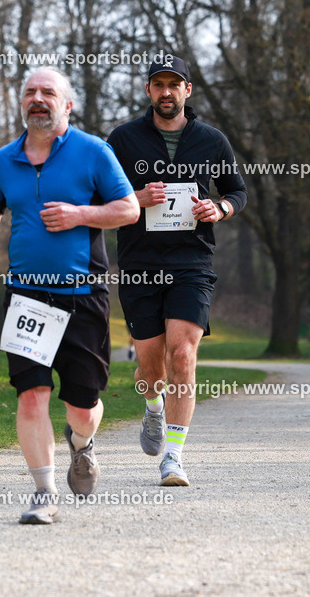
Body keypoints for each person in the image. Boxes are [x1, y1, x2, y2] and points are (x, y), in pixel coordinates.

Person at [0, 68, 139, 524]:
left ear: (67, 105)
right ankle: (44, 492)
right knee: (31, 396)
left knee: (83, 407)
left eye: (48, 92)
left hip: (82, 296)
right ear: (21, 103)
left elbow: (129, 209)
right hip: (25, 298)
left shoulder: (94, 152)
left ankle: (83, 442)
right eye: (30, 92)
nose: (38, 98)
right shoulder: (3, 159)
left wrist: (79, 214)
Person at [106, 55, 247, 486]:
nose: (166, 92)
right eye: (158, 84)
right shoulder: (123, 139)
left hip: (192, 261)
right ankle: (153, 408)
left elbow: (237, 190)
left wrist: (219, 207)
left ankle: (174, 457)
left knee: (183, 354)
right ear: (148, 91)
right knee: (151, 369)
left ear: (188, 91)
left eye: (175, 84)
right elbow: (102, 194)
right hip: (140, 263)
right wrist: (135, 198)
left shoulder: (211, 140)